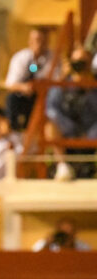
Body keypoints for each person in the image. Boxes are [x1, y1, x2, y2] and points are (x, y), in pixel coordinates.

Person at [44, 46, 97, 180]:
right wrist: (62, 80)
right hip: (68, 129)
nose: (79, 65)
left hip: (91, 130)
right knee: (50, 125)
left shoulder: (94, 82)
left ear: (90, 63)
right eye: (76, 62)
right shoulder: (63, 82)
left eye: (83, 62)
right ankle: (62, 167)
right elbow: (50, 108)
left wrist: (88, 86)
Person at [4, 26, 58, 130]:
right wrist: (25, 87)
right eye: (37, 40)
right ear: (30, 41)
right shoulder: (21, 58)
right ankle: (14, 129)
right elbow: (10, 84)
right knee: (12, 99)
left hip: (45, 96)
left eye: (43, 40)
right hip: (25, 97)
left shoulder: (53, 59)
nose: (40, 44)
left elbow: (56, 80)